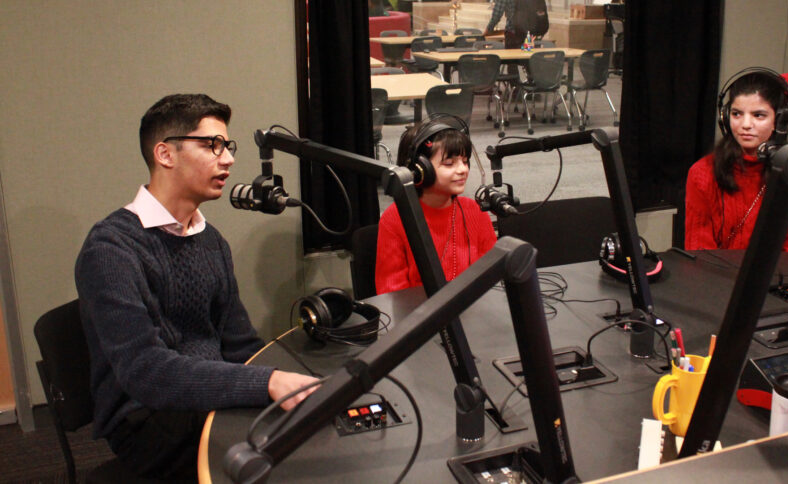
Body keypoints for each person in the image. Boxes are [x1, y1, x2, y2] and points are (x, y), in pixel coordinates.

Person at [75, 94, 318, 480]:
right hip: (145, 419)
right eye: (212, 145)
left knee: (308, 428)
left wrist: (290, 378)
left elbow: (240, 346)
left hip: (205, 399)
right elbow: (147, 372)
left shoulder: (211, 240)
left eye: (227, 146)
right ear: (165, 154)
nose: (228, 159)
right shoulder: (110, 250)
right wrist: (266, 383)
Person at [685, 69, 788, 253]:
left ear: (780, 119)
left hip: (773, 279)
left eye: (758, 115)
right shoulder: (702, 173)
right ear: (725, 117)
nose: (745, 125)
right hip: (713, 278)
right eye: (736, 114)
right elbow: (699, 251)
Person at [375, 117, 497, 294]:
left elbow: (492, 276)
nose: (463, 169)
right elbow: (391, 292)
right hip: (419, 315)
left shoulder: (474, 211)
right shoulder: (396, 218)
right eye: (449, 163)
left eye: (464, 161)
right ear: (419, 170)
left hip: (472, 311)